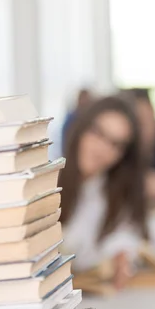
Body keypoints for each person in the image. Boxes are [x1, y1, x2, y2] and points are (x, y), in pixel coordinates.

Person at [59, 96, 148, 290]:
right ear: (81, 128)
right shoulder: (42, 183)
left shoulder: (114, 198)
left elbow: (124, 237)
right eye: (98, 133)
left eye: (115, 144)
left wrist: (122, 253)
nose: (102, 149)